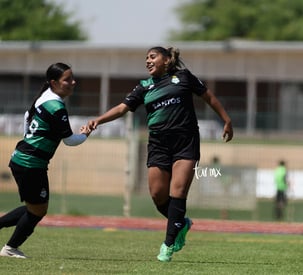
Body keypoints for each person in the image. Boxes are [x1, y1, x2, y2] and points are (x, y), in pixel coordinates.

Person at [87, 46, 233, 262]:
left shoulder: (183, 77)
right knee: (158, 195)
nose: (148, 61)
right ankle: (181, 223)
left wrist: (227, 120)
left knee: (178, 191)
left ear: (166, 60)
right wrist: (98, 120)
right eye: (146, 58)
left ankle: (168, 245)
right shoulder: (144, 87)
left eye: (152, 57)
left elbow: (209, 97)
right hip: (158, 145)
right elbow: (121, 108)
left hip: (186, 143)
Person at [0, 62, 91, 258]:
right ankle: (10, 249)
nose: (73, 82)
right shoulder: (55, 106)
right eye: (67, 79)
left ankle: (9, 246)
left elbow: (27, 116)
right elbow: (70, 141)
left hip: (23, 160)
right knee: (37, 210)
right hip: (30, 164)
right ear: (53, 82)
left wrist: (28, 140)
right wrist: (85, 134)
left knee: (35, 207)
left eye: (72, 78)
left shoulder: (45, 97)